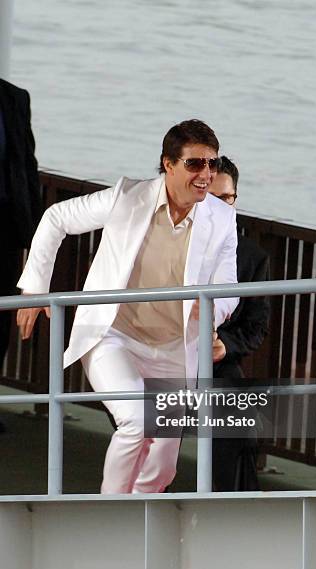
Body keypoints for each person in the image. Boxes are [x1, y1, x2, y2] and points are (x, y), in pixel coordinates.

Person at [16, 119, 238, 494]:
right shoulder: (126, 197)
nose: (206, 174)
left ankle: (139, 512)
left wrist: (212, 314)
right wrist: (35, 289)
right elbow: (56, 218)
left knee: (164, 462)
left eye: (212, 164)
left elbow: (228, 285)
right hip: (113, 337)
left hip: (173, 349)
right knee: (136, 420)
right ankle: (111, 510)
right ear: (168, 164)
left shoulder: (223, 217)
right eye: (195, 164)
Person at [209, 156, 270, 491]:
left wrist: (225, 346)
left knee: (240, 420)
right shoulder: (172, 243)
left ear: (235, 199)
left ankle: (228, 503)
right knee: (132, 412)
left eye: (227, 199)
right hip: (164, 355)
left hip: (217, 362)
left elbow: (256, 329)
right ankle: (147, 500)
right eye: (211, 199)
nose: (219, 206)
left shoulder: (252, 256)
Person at [0, 79, 42, 433]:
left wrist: (38, 234)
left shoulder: (14, 98)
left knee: (1, 319)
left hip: (4, 228)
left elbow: (26, 164)